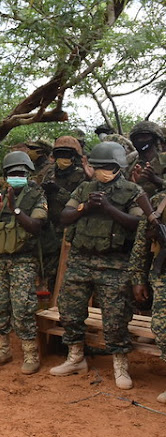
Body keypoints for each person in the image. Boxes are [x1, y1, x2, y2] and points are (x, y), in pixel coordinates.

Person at [50, 142, 144, 389]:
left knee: (115, 317)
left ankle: (120, 366)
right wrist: (86, 206)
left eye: (108, 167)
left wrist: (109, 208)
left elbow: (138, 223)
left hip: (114, 263)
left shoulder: (132, 190)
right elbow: (65, 217)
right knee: (70, 312)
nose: (103, 171)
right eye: (99, 166)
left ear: (118, 167)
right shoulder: (84, 188)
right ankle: (75, 358)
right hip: (81, 260)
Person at [0, 151, 47, 374]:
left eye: (19, 173)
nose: (15, 176)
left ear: (27, 173)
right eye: (11, 173)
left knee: (22, 307)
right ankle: (2, 349)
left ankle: (30, 353)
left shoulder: (36, 195)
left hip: (22, 259)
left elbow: (36, 227)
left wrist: (15, 208)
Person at [129, 188, 166, 403]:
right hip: (163, 274)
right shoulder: (158, 202)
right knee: (162, 326)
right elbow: (141, 247)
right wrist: (138, 279)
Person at [39, 136, 87, 292]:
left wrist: (58, 191)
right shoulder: (49, 172)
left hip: (70, 228)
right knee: (49, 268)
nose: (63, 159)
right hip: (49, 228)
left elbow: (80, 202)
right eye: (60, 155)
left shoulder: (81, 175)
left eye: (66, 155)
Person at [128, 120, 166, 197]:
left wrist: (156, 180)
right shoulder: (131, 165)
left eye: (145, 137)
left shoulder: (164, 160)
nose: (140, 141)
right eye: (137, 138)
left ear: (155, 139)